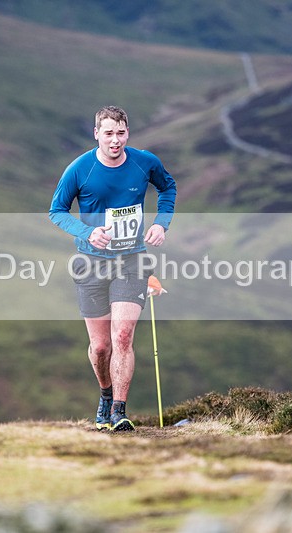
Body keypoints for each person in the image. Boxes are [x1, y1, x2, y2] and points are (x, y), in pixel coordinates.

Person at [49, 105, 177, 431]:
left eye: (120, 133)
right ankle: (105, 395)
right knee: (101, 347)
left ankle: (119, 411)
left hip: (132, 260)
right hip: (91, 263)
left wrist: (161, 223)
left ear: (128, 132)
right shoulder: (80, 169)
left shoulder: (145, 162)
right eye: (108, 133)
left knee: (122, 336)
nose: (115, 140)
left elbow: (168, 188)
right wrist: (87, 232)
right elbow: (57, 211)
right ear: (97, 134)